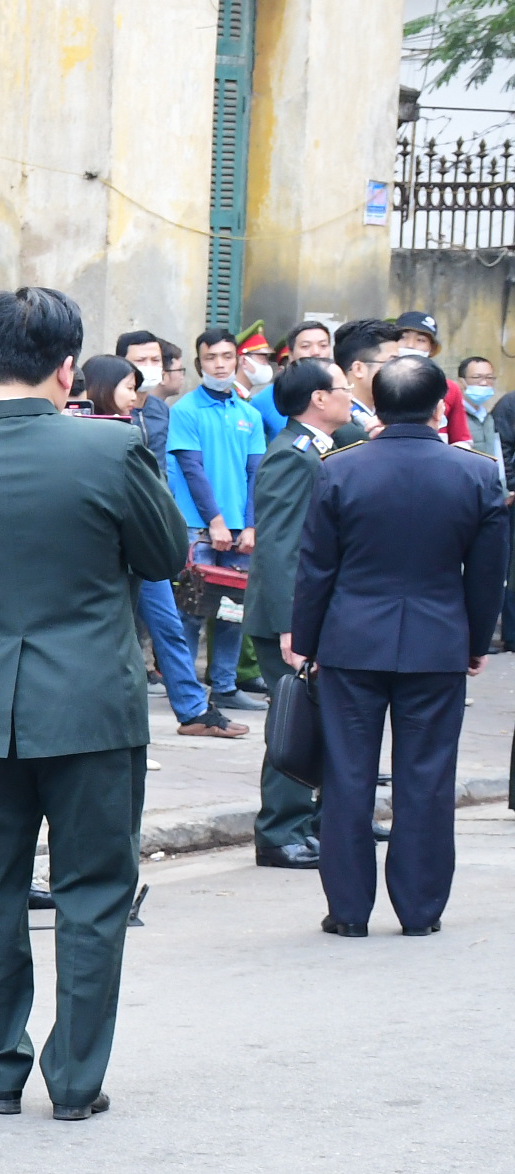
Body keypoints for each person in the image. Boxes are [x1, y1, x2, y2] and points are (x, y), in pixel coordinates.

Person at [0, 286, 188, 1122]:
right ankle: (76, 1079)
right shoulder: (113, 449)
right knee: (94, 890)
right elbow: (164, 555)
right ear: (69, 368)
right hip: (92, 704)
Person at [288, 354, 509, 937]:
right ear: (440, 408)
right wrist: (475, 639)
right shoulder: (477, 473)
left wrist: (306, 640)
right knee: (427, 779)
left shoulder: (340, 468)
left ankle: (349, 912)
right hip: (437, 641)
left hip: (351, 641)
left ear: (376, 405)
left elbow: (316, 566)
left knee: (347, 777)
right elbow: (488, 573)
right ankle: (419, 910)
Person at [78, 357, 234, 740]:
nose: (135, 397)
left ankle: (193, 708)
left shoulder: (141, 422)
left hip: (141, 544)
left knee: (167, 624)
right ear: (103, 387)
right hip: (102, 552)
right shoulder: (82, 433)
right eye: (128, 388)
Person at [239, 358, 355, 870]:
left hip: (316, 613)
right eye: (343, 388)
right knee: (294, 721)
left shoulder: (323, 448)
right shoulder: (292, 456)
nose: (350, 396)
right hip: (289, 618)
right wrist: (292, 625)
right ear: (319, 399)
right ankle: (280, 831)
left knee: (324, 719)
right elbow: (281, 546)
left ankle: (317, 822)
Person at [165, 329, 264, 713]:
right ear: (198, 363)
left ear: (237, 360)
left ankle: (224, 686)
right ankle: (185, 691)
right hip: (200, 528)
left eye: (226, 357)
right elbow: (192, 470)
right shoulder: (186, 410)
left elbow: (255, 474)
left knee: (233, 611)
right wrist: (216, 521)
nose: (219, 365)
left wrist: (250, 525)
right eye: (211, 358)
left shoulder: (249, 414)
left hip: (240, 529)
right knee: (192, 609)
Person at [391, 312, 474, 444]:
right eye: (403, 337)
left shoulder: (449, 388)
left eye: (420, 340)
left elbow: (461, 441)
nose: (410, 345)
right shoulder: (380, 383)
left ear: (432, 348)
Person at [333, 320, 399, 444]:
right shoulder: (338, 425)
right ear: (358, 369)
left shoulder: (391, 417)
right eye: (392, 363)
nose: (400, 370)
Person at [118, 330, 178, 462]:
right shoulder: (112, 409)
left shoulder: (161, 408)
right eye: (140, 360)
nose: (149, 366)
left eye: (156, 360)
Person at [460, 355, 499, 463]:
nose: (484, 383)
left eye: (489, 378)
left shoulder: (489, 417)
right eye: (477, 377)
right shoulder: (455, 416)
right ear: (461, 382)